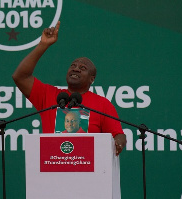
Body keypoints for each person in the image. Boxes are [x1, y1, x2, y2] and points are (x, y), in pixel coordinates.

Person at [12, 21, 126, 155]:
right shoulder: (49, 95)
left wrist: (118, 142)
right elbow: (20, 77)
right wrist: (43, 45)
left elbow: (119, 135)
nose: (76, 69)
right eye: (73, 65)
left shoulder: (103, 105)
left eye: (82, 68)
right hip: (52, 167)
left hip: (89, 171)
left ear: (92, 78)